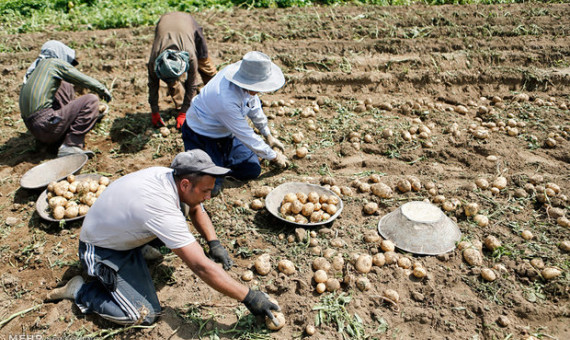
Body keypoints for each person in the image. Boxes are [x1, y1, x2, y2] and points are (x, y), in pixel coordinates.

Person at [45, 149, 280, 327]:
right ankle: (80, 291)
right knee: (142, 315)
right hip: (100, 249)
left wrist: (213, 242)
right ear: (186, 183)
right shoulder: (159, 206)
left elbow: (196, 207)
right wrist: (249, 297)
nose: (209, 196)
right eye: (206, 191)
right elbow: (199, 265)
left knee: (186, 208)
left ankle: (139, 250)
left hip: (121, 233)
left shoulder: (172, 177)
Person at [181, 51, 288, 195]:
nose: (259, 90)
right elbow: (246, 135)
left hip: (226, 134)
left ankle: (216, 163)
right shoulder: (225, 99)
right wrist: (274, 156)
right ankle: (205, 166)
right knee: (211, 187)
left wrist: (267, 134)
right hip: (201, 135)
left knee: (252, 169)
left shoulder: (246, 82)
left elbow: (253, 105)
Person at [19, 40, 112, 158]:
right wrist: (101, 89)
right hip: (47, 124)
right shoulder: (52, 63)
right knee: (91, 100)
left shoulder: (34, 71)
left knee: (64, 85)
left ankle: (52, 144)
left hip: (36, 130)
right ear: (59, 54)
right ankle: (71, 146)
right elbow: (79, 77)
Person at [148, 12, 217, 129]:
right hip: (165, 22)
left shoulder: (190, 56)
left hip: (188, 24)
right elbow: (153, 84)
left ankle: (218, 96)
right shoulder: (155, 61)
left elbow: (192, 84)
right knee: (172, 82)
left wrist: (184, 113)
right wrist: (154, 111)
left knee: (205, 65)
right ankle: (183, 107)